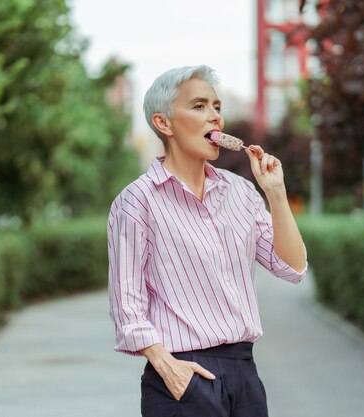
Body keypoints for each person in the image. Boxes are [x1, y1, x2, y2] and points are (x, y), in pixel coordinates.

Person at [107, 65, 308, 417]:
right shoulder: (136, 202)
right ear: (163, 123)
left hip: (244, 374)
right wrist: (169, 368)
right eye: (199, 106)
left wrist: (275, 193)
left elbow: (291, 267)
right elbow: (128, 306)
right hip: (183, 377)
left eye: (217, 107)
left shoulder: (242, 193)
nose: (215, 117)